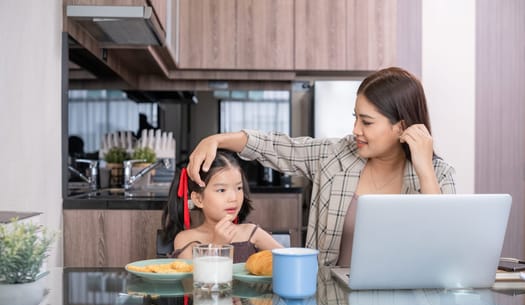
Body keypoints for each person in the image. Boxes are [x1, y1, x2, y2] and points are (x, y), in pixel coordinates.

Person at [186, 67, 456, 266]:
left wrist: (424, 168)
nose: (355, 130)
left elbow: (444, 249)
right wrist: (217, 138)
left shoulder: (438, 174)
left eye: (367, 122)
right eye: (355, 118)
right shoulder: (336, 156)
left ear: (401, 126)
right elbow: (276, 146)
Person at [162, 150, 283, 263]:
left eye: (239, 188)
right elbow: (189, 284)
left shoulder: (251, 232)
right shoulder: (186, 239)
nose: (233, 198)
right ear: (198, 199)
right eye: (221, 190)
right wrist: (217, 246)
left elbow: (290, 261)